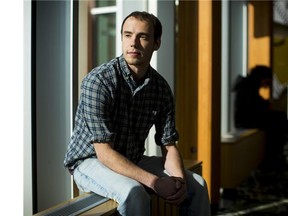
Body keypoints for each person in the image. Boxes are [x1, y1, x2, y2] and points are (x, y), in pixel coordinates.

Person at [64, 11, 211, 216]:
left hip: (131, 158)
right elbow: (104, 153)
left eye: (142, 36)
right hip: (89, 161)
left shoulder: (160, 88)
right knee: (134, 191)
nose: (133, 43)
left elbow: (168, 145)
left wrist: (179, 182)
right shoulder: (98, 81)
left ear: (156, 43)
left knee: (198, 185)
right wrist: (155, 182)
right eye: (127, 35)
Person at [233, 65, 288, 169]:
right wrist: (268, 104)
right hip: (245, 120)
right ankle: (274, 157)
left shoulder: (247, 84)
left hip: (245, 119)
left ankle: (275, 156)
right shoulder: (248, 86)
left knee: (279, 119)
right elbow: (255, 106)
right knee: (279, 119)